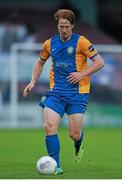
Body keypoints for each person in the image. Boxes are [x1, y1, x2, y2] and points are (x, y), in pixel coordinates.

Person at [23, 9, 104, 175]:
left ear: (72, 26)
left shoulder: (81, 42)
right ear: (57, 26)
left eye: (67, 26)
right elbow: (40, 63)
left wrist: (82, 74)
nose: (64, 30)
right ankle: (56, 166)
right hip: (56, 93)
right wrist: (32, 82)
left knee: (73, 134)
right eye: (61, 26)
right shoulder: (49, 43)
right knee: (49, 126)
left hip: (77, 94)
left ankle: (78, 143)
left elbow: (99, 62)